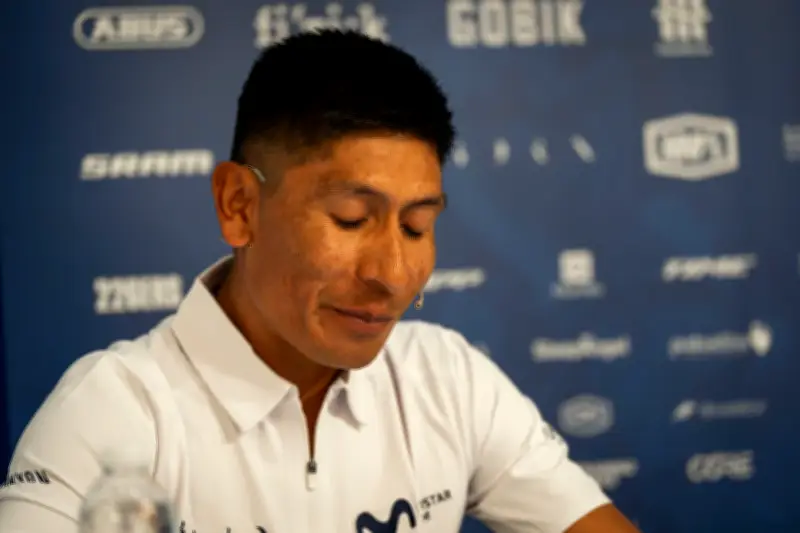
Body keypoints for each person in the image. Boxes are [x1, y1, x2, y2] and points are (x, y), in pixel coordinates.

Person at [0, 30, 640, 533]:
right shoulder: (112, 414)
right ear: (239, 205)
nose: (392, 275)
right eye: (351, 219)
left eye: (416, 226)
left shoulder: (447, 380)